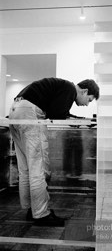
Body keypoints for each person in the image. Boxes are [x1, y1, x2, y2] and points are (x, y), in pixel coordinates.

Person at [9, 77, 99, 227]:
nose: (87, 104)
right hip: (29, 114)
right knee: (38, 167)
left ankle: (31, 209)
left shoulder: (62, 87)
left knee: (25, 168)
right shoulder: (70, 90)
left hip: (15, 110)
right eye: (89, 99)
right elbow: (57, 115)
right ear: (84, 91)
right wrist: (80, 121)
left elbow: (57, 112)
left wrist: (78, 119)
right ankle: (41, 214)